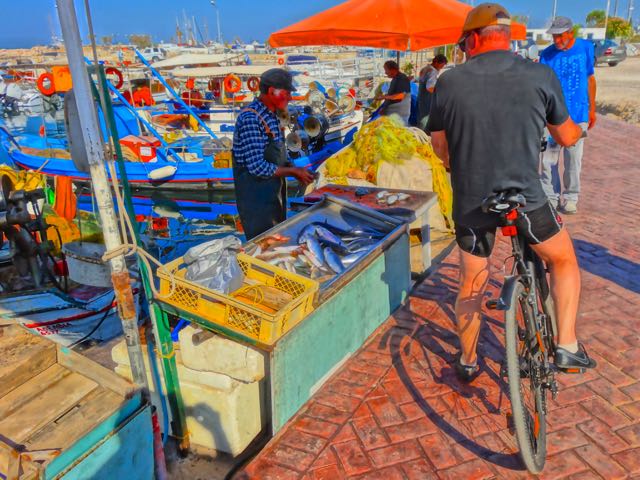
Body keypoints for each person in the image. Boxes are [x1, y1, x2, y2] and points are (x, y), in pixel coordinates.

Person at [427, 3, 596, 382]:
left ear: (472, 38)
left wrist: (458, 164)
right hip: (526, 198)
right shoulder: (539, 74)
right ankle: (566, 345)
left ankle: (468, 361)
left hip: (472, 201)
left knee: (472, 279)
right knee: (563, 261)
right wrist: (580, 130)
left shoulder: (449, 82)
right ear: (506, 36)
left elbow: (440, 148)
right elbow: (566, 136)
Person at [232, 69, 314, 240]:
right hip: (256, 202)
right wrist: (292, 172)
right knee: (263, 246)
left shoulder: (272, 116)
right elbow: (257, 167)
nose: (290, 98)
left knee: (278, 240)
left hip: (273, 197)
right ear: (271, 91)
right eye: (287, 93)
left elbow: (277, 154)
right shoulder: (251, 118)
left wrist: (290, 166)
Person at [539, 16, 596, 214]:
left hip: (578, 114)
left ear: (570, 33)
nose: (556, 40)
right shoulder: (546, 55)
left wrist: (591, 109)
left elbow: (590, 79)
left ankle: (571, 197)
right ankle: (551, 197)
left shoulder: (586, 48)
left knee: (573, 160)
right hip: (551, 116)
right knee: (548, 161)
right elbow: (542, 86)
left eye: (560, 36)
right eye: (554, 36)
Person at [417, 54, 448, 131]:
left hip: (421, 98)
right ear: (436, 62)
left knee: (422, 119)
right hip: (428, 100)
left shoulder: (425, 68)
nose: (442, 68)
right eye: (441, 65)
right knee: (425, 121)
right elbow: (430, 87)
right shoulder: (432, 71)